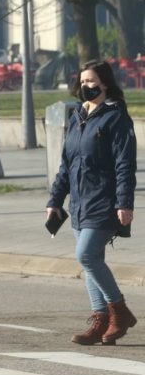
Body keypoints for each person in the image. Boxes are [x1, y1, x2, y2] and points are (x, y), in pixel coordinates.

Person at [47, 59, 137, 345]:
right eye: (83, 81)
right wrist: (55, 201)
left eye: (92, 81)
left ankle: (119, 312)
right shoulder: (78, 116)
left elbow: (125, 164)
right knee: (91, 262)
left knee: (85, 255)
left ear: (105, 84)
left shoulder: (116, 117)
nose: (86, 86)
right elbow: (66, 165)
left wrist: (124, 203)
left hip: (104, 201)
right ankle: (100, 320)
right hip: (79, 204)